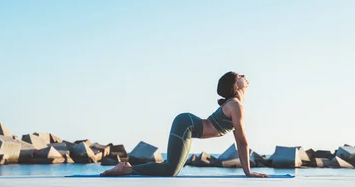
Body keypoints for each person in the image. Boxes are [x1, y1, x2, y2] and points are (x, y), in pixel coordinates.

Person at [101, 71, 269, 177]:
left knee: (173, 169)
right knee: (170, 170)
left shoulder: (234, 105)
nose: (243, 76)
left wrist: (247, 171)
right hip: (186, 125)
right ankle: (125, 169)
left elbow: (239, 140)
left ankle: (128, 167)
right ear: (234, 86)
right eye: (239, 76)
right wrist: (248, 172)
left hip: (189, 127)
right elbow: (241, 141)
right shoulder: (235, 105)